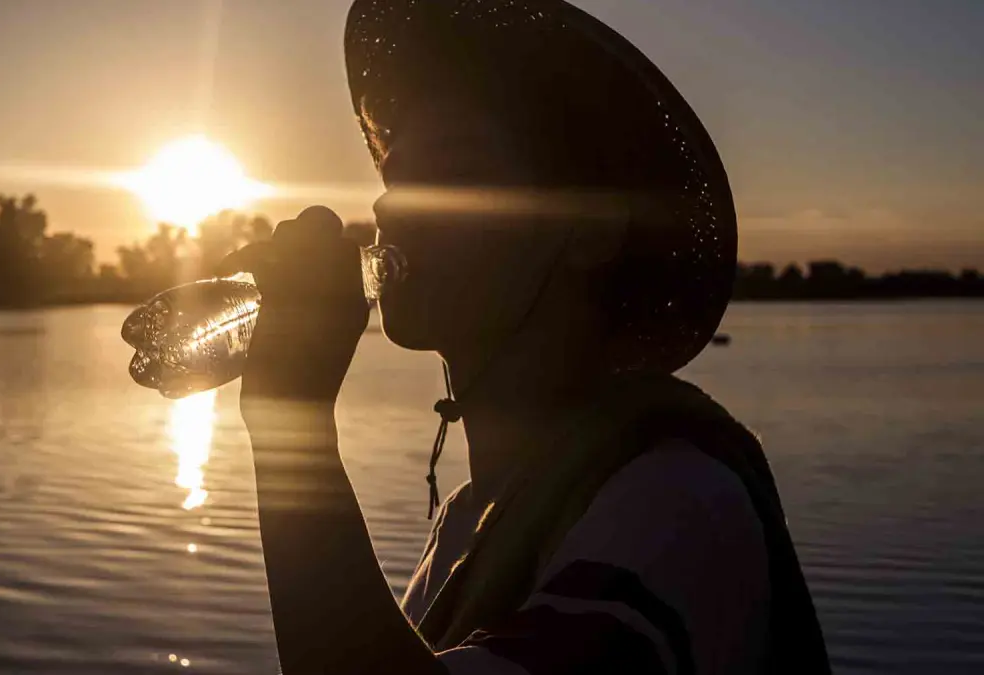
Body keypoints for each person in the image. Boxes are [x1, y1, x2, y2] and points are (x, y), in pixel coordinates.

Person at [221, 1, 830, 673]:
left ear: (593, 229)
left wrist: (294, 428)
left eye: (453, 172)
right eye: (394, 176)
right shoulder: (466, 523)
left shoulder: (679, 499)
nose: (389, 206)